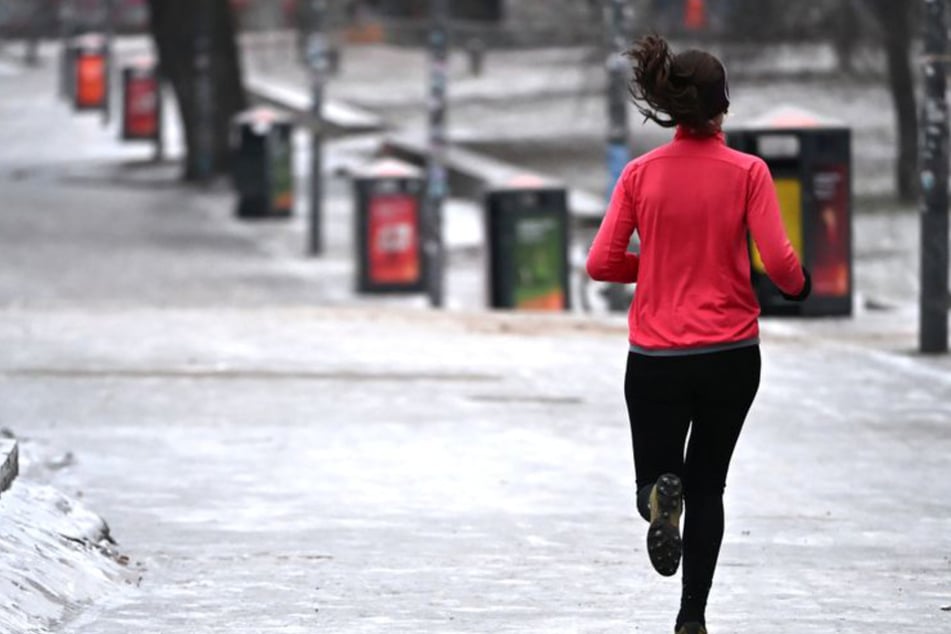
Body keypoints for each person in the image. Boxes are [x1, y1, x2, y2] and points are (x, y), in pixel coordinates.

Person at [586, 34, 810, 634]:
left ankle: (656, 501)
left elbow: (602, 263)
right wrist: (799, 286)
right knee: (708, 485)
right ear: (722, 108)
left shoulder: (639, 174)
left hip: (656, 356)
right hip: (731, 356)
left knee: (658, 483)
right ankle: (692, 618)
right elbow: (782, 264)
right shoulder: (749, 173)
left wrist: (654, 264)